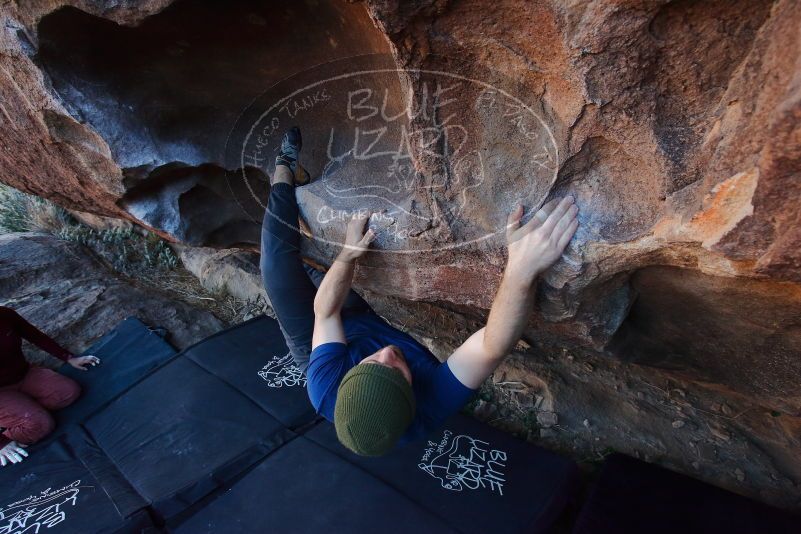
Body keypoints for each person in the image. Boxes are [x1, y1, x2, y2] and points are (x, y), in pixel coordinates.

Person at [261, 127, 579, 457]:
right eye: (395, 368)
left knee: (276, 267)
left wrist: (348, 253)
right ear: (410, 395)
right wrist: (522, 270)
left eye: (372, 364)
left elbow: (324, 312)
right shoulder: (429, 405)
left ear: (348, 381)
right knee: (304, 272)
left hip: (316, 336)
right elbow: (490, 347)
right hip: (357, 324)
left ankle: (283, 168)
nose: (386, 354)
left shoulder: (324, 386)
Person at [0, 306, 100, 466]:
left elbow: (34, 335)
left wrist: (67, 357)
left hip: (23, 374)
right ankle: (12, 428)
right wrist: (2, 443)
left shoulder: (4, 314)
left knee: (68, 392)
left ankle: (22, 412)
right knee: (41, 424)